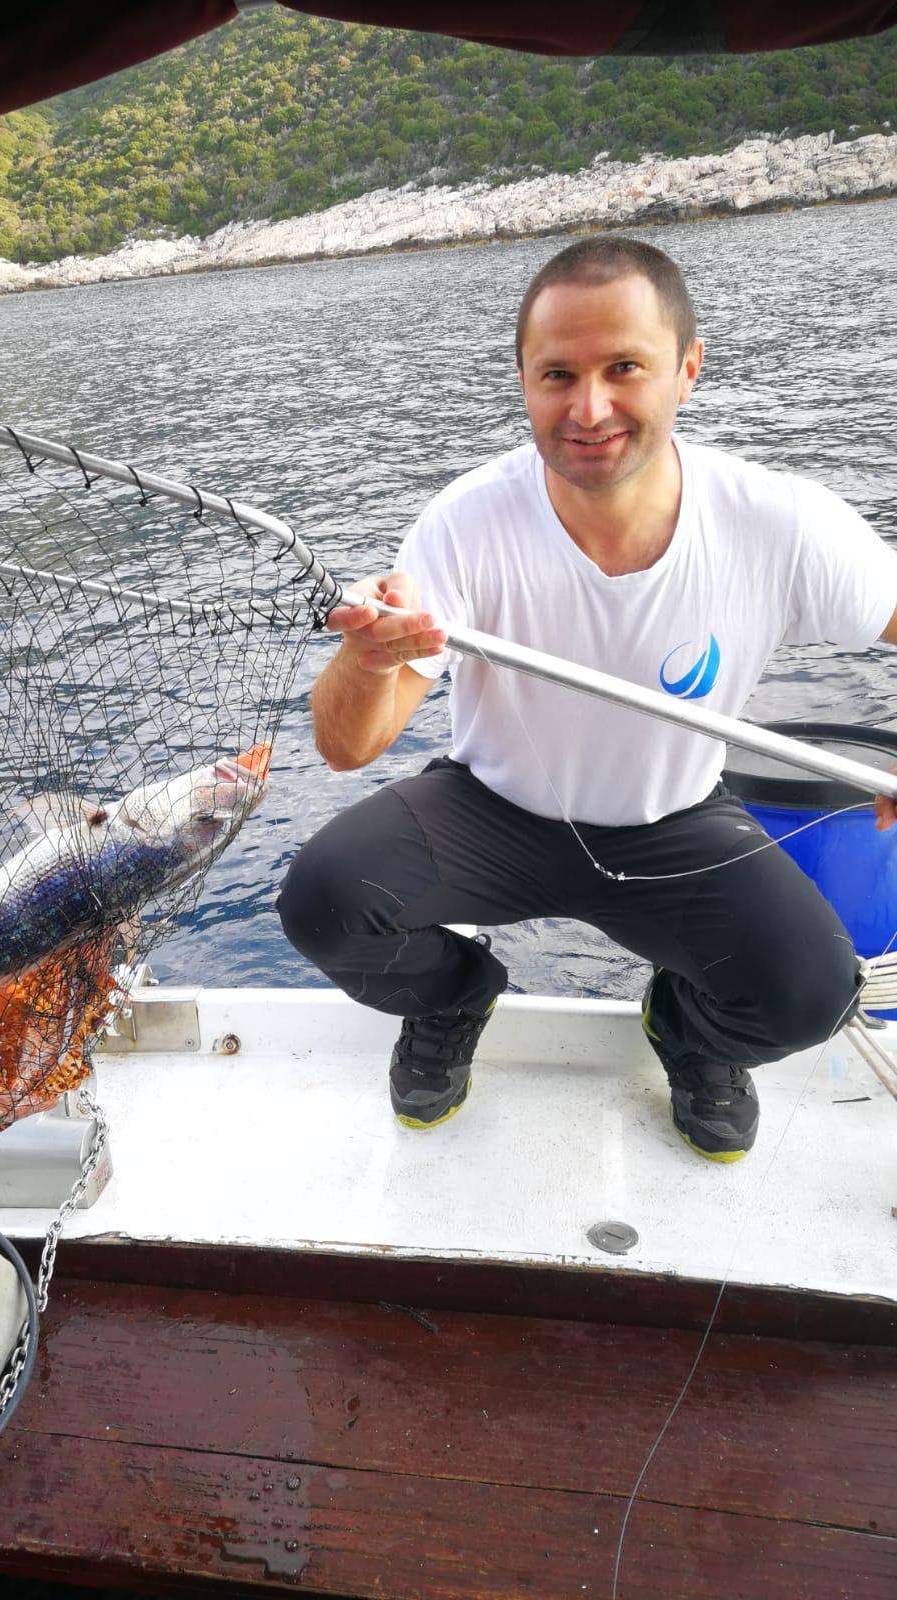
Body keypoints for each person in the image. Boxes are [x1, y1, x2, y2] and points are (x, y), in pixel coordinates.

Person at [277, 235, 897, 1163]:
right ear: (524, 382)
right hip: (494, 811)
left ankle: (685, 1029)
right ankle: (453, 997)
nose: (590, 407)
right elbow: (346, 748)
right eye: (558, 375)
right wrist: (368, 660)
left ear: (688, 369)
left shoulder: (779, 522)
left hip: (671, 819)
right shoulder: (466, 521)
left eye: (624, 369)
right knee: (324, 900)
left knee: (811, 993)